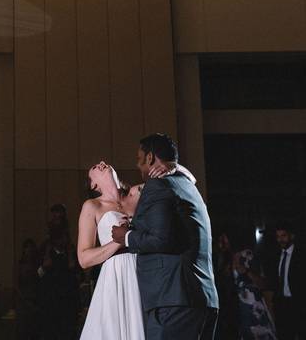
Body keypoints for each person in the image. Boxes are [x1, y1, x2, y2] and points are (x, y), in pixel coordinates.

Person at [111, 133, 218, 340]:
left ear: (150, 158)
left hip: (173, 301)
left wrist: (126, 237)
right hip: (202, 299)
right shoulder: (189, 186)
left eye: (138, 158)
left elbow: (162, 239)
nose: (137, 166)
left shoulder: (158, 185)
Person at [76, 161, 145, 340]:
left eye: (102, 162)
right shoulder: (92, 206)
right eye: (94, 167)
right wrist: (118, 241)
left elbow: (168, 182)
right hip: (116, 275)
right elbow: (84, 258)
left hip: (145, 268)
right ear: (93, 184)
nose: (101, 163)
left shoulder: (137, 193)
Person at [269, 224, 306, 340]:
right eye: (278, 236)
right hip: (281, 305)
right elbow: (274, 280)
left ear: (291, 236)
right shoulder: (275, 256)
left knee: (304, 335)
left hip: (299, 304)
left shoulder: (303, 255)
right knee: (284, 335)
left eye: (283, 236)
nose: (280, 239)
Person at [38, 205, 80, 340]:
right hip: (50, 303)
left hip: (67, 303)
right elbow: (36, 274)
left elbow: (78, 276)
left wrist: (71, 261)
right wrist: (44, 267)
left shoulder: (71, 250)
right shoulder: (45, 249)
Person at [232, 249, 276, 339]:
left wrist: (246, 272)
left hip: (256, 310)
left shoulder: (250, 256)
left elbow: (262, 284)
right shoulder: (231, 258)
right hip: (240, 312)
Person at [211, 233, 239, 340]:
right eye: (220, 242)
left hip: (232, 299)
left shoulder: (235, 256)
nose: (222, 245)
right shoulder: (216, 256)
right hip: (220, 300)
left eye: (225, 242)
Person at [17, 240, 41, 340]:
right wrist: (25, 301)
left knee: (35, 332)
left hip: (36, 302)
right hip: (24, 303)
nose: (29, 251)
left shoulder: (37, 265)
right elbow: (17, 286)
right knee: (24, 332)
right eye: (27, 248)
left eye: (31, 248)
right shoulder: (20, 266)